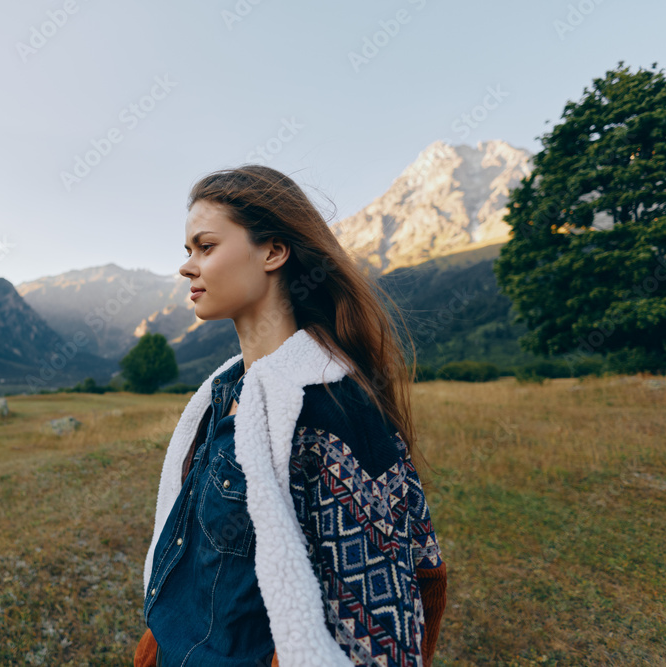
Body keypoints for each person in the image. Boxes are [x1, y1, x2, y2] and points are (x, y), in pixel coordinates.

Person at [134, 165, 446, 667]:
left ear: (274, 252)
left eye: (206, 247)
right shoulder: (224, 394)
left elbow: (383, 630)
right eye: (187, 251)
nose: (187, 267)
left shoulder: (331, 413)